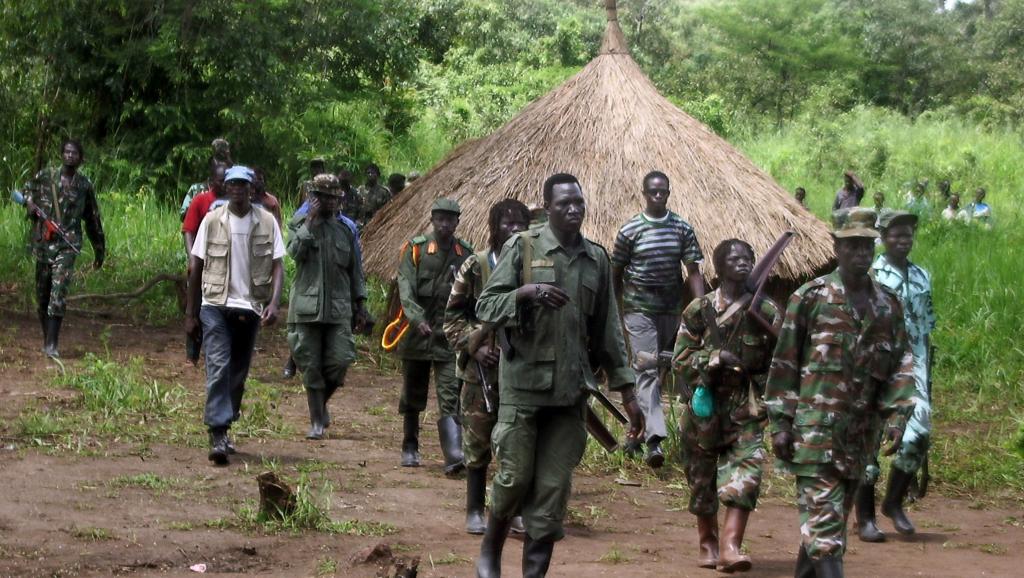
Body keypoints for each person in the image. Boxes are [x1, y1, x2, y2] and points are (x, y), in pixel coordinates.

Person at [474, 173, 644, 578]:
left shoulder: (596, 259)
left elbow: (609, 332)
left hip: (570, 394)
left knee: (553, 490)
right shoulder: (523, 247)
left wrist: (628, 394)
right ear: (547, 207)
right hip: (523, 389)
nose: (573, 209)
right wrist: (526, 294)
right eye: (564, 203)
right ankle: (490, 551)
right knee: (514, 478)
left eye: (578, 202)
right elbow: (486, 306)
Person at [764, 207, 916, 577]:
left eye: (867, 245)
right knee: (826, 537)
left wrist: (898, 416)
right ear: (836, 247)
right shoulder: (810, 298)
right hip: (814, 437)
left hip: (859, 439)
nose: (861, 252)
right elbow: (784, 364)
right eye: (852, 245)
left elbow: (900, 363)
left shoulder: (887, 305)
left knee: (822, 531)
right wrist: (780, 424)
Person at [673, 239, 779, 573]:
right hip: (704, 408)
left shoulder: (766, 311)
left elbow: (781, 361)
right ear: (718, 268)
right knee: (701, 480)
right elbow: (680, 359)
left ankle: (731, 547)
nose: (742, 263)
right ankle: (708, 543)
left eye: (747, 258)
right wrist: (715, 357)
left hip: (745, 407)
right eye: (733, 259)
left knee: (747, 474)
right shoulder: (700, 309)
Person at [185, 165, 285, 465]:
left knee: (238, 374)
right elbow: (196, 266)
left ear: (252, 189)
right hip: (215, 305)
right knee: (218, 366)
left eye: (244, 185)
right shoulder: (212, 220)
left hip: (250, 307)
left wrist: (274, 303)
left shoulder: (266, 221)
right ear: (226, 189)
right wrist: (191, 313)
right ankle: (217, 432)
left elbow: (278, 265)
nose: (239, 190)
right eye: (234, 185)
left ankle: (226, 422)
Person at [444, 199, 530, 535]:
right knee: (477, 440)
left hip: (520, 370)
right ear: (494, 227)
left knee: (517, 442)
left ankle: (513, 511)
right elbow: (452, 318)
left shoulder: (533, 266)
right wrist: (476, 347)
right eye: (507, 224)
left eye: (520, 224)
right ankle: (475, 509)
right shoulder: (476, 265)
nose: (514, 230)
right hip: (481, 373)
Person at [612, 170, 705, 468]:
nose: (657, 195)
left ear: (668, 193)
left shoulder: (681, 228)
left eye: (662, 191)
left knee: (664, 369)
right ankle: (655, 440)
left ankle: (636, 434)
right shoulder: (630, 230)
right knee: (646, 369)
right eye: (652, 191)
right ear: (644, 193)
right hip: (638, 310)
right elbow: (616, 272)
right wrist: (614, 310)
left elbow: (693, 271)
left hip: (670, 309)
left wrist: (702, 305)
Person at [857, 210, 936, 542]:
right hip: (876, 363)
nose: (903, 241)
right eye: (896, 235)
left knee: (919, 432)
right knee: (869, 439)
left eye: (908, 235)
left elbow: (926, 327)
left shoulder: (921, 276)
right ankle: (865, 518)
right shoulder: (871, 274)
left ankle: (894, 501)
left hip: (913, 363)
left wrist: (926, 372)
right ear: (883, 238)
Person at [286, 174, 370, 440]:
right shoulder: (299, 223)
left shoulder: (346, 229)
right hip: (307, 306)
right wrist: (310, 222)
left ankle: (320, 404)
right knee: (310, 363)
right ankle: (316, 421)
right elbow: (294, 252)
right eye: (324, 197)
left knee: (341, 360)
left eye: (334, 198)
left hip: (339, 307)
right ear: (314, 199)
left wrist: (360, 305)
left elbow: (356, 270)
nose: (330, 202)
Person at [395, 198, 473, 473]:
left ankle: (453, 455)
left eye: (450, 220)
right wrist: (416, 318)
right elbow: (405, 287)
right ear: (432, 220)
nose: (444, 225)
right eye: (440, 219)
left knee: (450, 394)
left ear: (457, 222)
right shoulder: (416, 249)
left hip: (448, 337)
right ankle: (410, 445)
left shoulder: (465, 253)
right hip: (418, 335)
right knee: (412, 393)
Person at [21, 139, 105, 358]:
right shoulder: (46, 176)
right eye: (67, 152)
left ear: (80, 158)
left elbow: (93, 219)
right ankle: (46, 339)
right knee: (42, 295)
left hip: (68, 244)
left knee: (58, 292)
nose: (70, 156)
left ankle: (52, 344)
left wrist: (99, 249)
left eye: (74, 153)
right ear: (61, 154)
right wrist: (29, 203)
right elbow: (26, 190)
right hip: (43, 243)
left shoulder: (84, 185)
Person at [182, 163, 228, 256]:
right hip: (203, 252)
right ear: (212, 181)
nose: (224, 185)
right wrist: (192, 258)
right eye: (220, 181)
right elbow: (188, 231)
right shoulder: (200, 200)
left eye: (227, 181)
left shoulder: (235, 202)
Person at [180, 138, 232, 220]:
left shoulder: (234, 190)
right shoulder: (196, 189)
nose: (220, 164)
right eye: (217, 159)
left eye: (223, 160)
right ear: (210, 164)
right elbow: (183, 216)